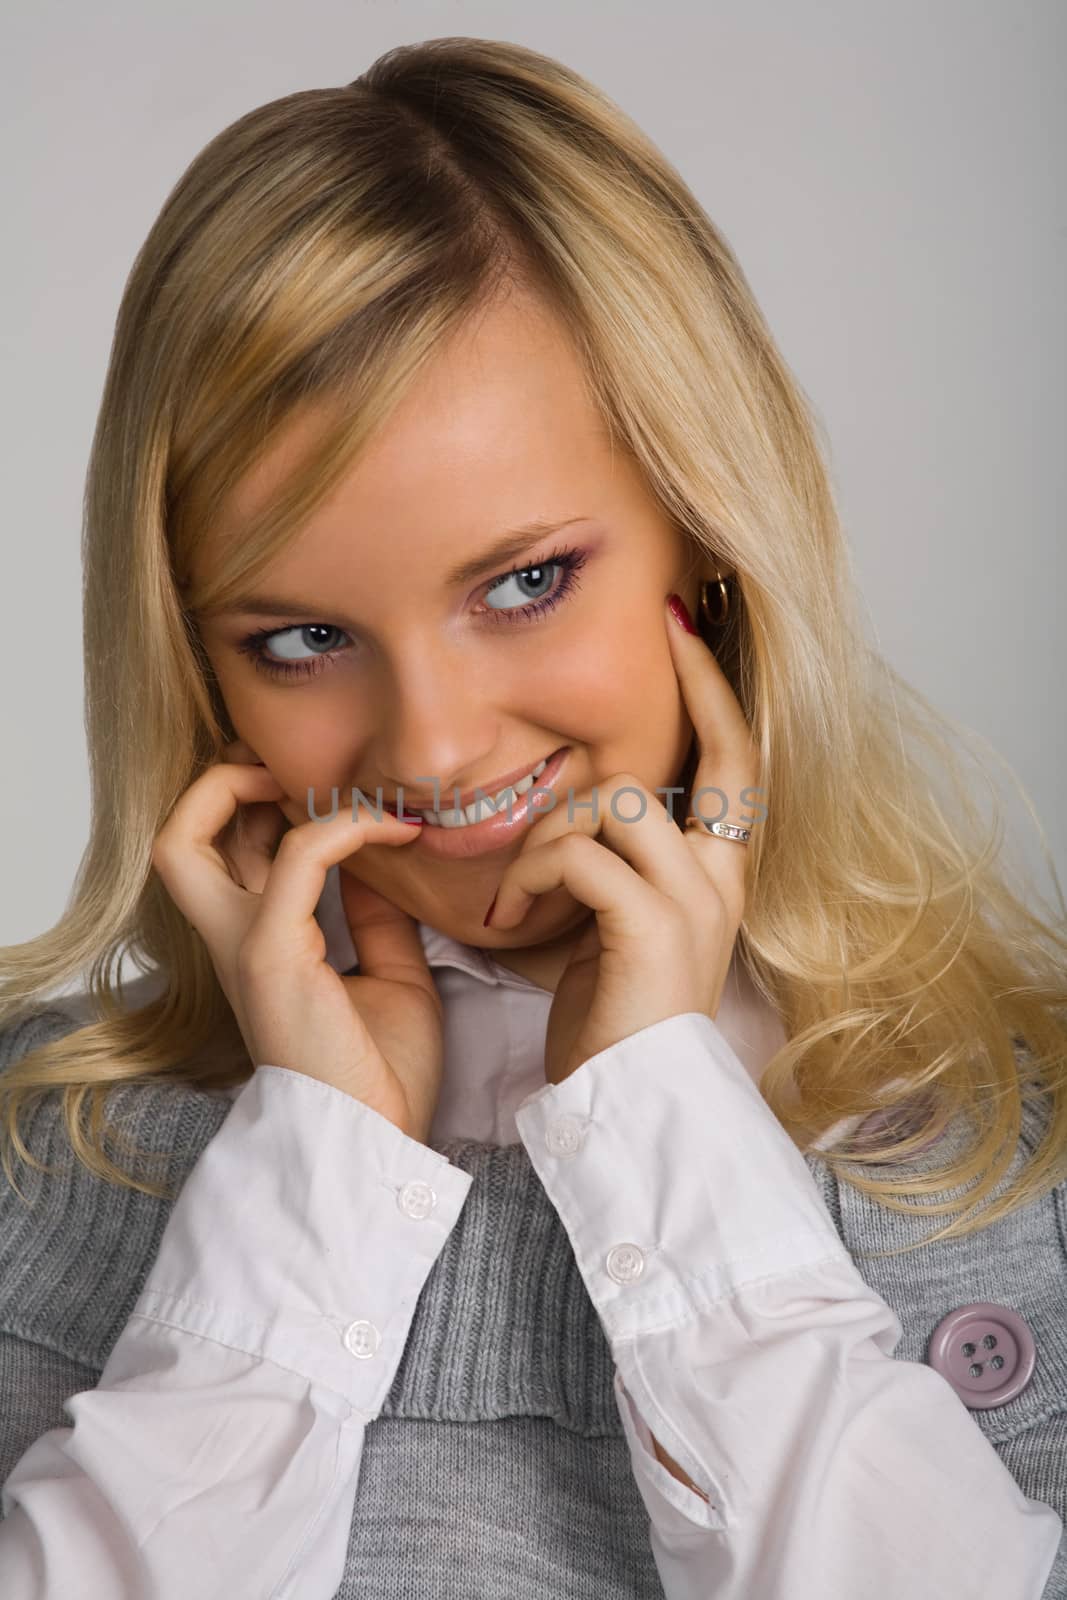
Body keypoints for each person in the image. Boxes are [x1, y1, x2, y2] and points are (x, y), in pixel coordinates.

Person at [1, 33, 1065, 1600]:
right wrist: (314, 1178)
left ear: (710, 540)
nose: (431, 749)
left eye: (522, 581)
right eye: (300, 636)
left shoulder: (1021, 1148)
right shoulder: (34, 1153)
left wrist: (660, 1111)